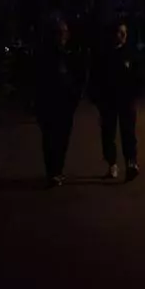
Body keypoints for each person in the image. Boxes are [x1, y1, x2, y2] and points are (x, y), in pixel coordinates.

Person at [34, 19, 87, 187]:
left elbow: (79, 76)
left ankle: (57, 170)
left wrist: (75, 96)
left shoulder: (70, 55)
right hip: (48, 104)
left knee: (62, 138)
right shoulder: (44, 56)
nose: (62, 36)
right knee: (50, 138)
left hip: (65, 105)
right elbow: (36, 80)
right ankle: (52, 171)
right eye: (58, 33)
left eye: (64, 32)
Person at [90, 22, 142, 182]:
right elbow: (96, 78)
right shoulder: (104, 55)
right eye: (119, 32)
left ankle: (131, 163)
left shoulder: (131, 53)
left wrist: (135, 95)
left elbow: (138, 76)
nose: (122, 35)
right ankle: (112, 164)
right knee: (108, 134)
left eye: (124, 32)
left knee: (128, 133)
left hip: (126, 101)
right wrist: (97, 100)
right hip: (108, 101)